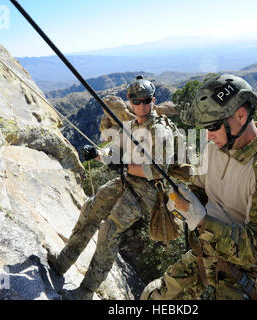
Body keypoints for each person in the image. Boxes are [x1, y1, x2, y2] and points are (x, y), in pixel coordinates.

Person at [141, 74, 257, 300]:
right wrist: (185, 197)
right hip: (205, 251)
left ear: (240, 115)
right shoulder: (215, 147)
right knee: (152, 297)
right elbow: (201, 189)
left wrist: (201, 220)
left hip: (241, 271)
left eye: (213, 126)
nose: (209, 136)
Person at [45, 75, 179, 300]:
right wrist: (97, 154)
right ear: (130, 101)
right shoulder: (132, 125)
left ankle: (86, 291)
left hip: (147, 191)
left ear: (153, 100)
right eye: (137, 101)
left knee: (109, 230)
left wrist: (124, 164)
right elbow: (115, 154)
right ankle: (61, 263)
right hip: (127, 181)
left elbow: (157, 170)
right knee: (90, 209)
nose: (142, 106)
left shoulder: (160, 130)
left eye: (147, 101)